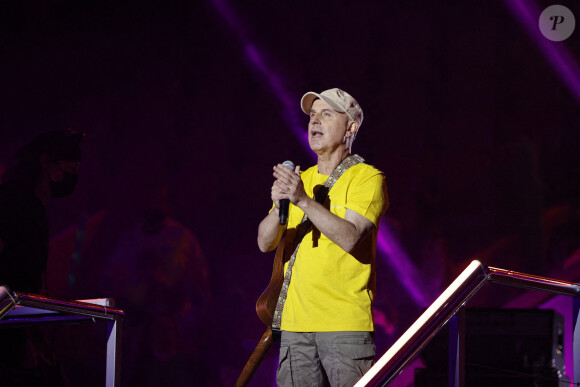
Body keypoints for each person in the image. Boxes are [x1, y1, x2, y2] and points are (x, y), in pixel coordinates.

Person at [257, 88, 389, 386]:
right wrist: (279, 206)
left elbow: (351, 237)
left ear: (351, 127)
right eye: (312, 115)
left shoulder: (367, 178)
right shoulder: (299, 180)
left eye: (327, 114)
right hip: (295, 327)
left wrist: (302, 200)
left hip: (344, 328)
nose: (315, 121)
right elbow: (265, 243)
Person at [0, 128, 83, 385]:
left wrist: (36, 337)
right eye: (67, 169)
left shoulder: (30, 207)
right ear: (46, 162)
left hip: (15, 323)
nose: (72, 175)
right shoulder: (16, 203)